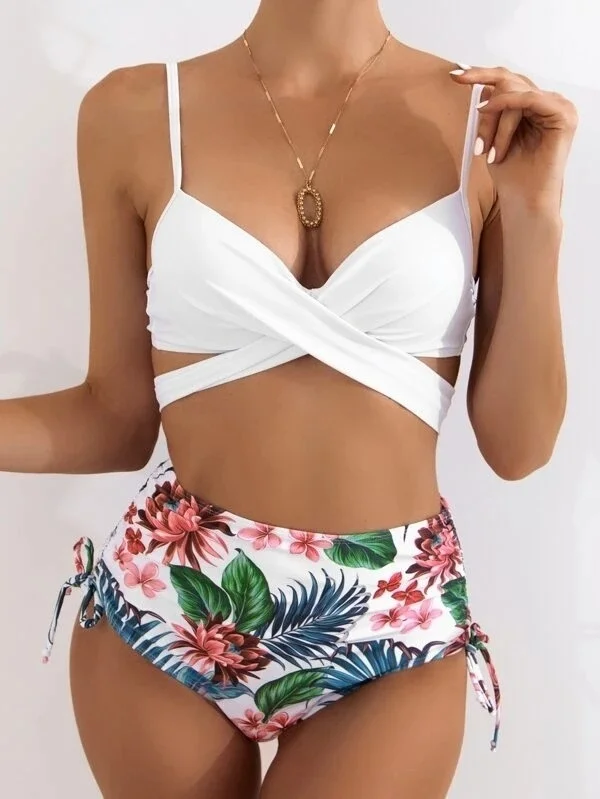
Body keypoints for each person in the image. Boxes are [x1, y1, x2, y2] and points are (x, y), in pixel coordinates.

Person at [0, 0, 577, 797]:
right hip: (170, 599)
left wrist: (537, 215)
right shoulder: (134, 110)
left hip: (392, 622)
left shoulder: (492, 124)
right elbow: (115, 418)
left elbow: (519, 448)